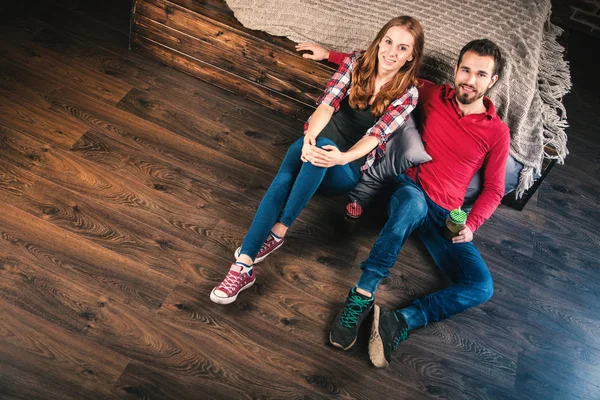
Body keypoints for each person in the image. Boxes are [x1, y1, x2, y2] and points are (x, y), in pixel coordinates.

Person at [297, 39, 510, 368]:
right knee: (412, 204)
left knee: (482, 286)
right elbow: (385, 71)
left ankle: (400, 320)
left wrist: (471, 224)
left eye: (481, 74)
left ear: (492, 81)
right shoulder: (431, 93)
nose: (470, 79)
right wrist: (328, 55)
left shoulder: (497, 132)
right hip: (409, 190)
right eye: (465, 70)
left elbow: (495, 188)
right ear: (455, 70)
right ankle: (362, 295)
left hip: (447, 217)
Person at [210, 16, 425, 305]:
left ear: (411, 56)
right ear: (379, 40)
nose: (391, 52)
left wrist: (343, 156)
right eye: (388, 41)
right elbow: (327, 104)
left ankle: (279, 229)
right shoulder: (357, 62)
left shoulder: (407, 94)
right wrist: (310, 137)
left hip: (345, 167)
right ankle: (243, 265)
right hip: (316, 145)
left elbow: (376, 136)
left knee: (308, 160)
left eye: (402, 48)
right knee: (286, 177)